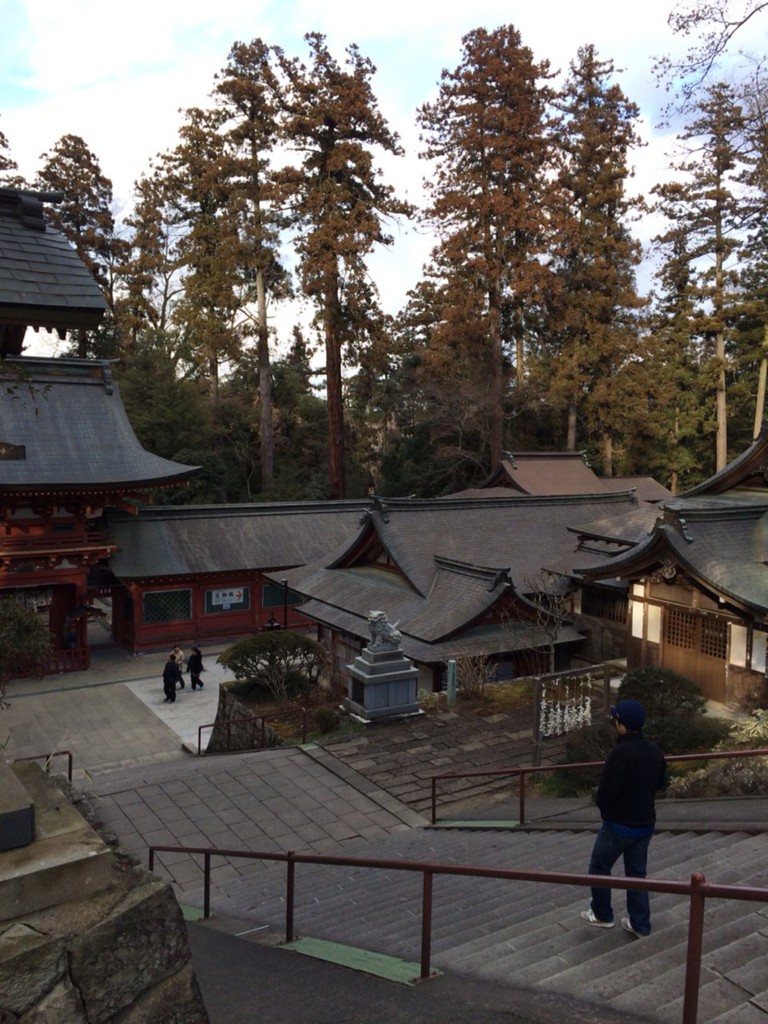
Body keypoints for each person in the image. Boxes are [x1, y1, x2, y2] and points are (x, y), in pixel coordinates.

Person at [580, 698, 666, 937]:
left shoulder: (619, 753)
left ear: (621, 724)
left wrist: (605, 811)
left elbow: (606, 792)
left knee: (599, 866)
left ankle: (602, 914)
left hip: (618, 824)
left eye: (615, 719)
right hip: (645, 823)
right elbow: (661, 783)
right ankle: (640, 924)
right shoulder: (654, 750)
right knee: (637, 874)